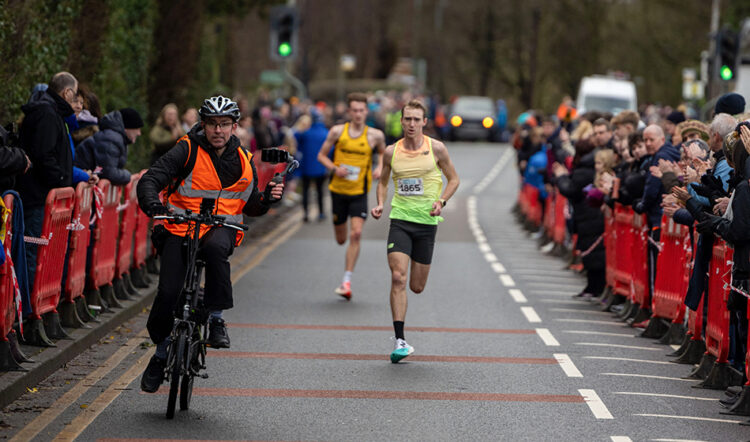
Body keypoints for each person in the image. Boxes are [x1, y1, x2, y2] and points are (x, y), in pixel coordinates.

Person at [136, 95, 285, 393]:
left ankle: (216, 318)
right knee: (168, 292)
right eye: (213, 124)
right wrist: (153, 203)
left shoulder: (243, 158)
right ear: (203, 125)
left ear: (234, 126)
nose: (218, 130)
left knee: (217, 249)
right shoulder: (186, 149)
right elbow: (152, 179)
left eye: (225, 124)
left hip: (220, 228)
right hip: (181, 227)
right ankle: (162, 350)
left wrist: (266, 199)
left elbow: (251, 204)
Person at [371, 99, 459, 363]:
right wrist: (379, 203)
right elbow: (384, 181)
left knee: (417, 287)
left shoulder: (437, 149)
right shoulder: (391, 152)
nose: (411, 124)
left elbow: (454, 179)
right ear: (401, 121)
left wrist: (441, 201)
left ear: (424, 122)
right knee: (398, 276)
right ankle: (400, 340)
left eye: (416, 119)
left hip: (427, 224)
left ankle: (401, 336)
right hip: (400, 219)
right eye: (407, 119)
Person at [16, 72, 95, 292]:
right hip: (38, 197)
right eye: (75, 92)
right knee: (33, 252)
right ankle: (27, 313)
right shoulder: (48, 115)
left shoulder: (49, 112)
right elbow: (45, 156)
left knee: (38, 253)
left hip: (39, 195)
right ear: (67, 92)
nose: (76, 99)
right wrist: (62, 182)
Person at [317, 93, 386, 300]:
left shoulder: (375, 135)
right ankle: (341, 235)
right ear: (349, 112)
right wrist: (334, 168)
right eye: (354, 110)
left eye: (361, 110)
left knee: (356, 234)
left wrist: (380, 167)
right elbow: (321, 155)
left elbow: (383, 153)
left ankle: (346, 281)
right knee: (341, 239)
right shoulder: (338, 132)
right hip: (338, 191)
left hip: (359, 193)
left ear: (366, 112)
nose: (358, 114)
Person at [75, 108, 144, 185]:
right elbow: (108, 172)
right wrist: (128, 176)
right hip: (77, 182)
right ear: (127, 128)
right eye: (137, 128)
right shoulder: (111, 140)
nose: (139, 133)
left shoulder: (114, 138)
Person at [296, 109, 329, 222]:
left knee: (305, 191)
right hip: (321, 167)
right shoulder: (326, 133)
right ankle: (320, 213)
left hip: (306, 167)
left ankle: (306, 214)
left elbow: (295, 138)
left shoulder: (305, 133)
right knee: (320, 191)